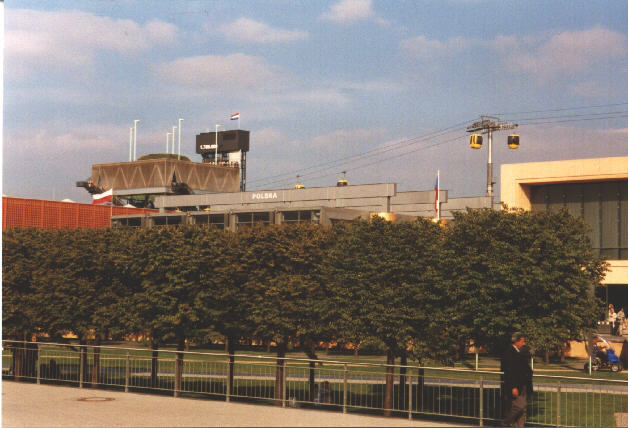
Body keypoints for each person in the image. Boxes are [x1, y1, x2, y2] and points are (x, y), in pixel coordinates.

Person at [501, 332, 533, 427]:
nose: (524, 343)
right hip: (516, 385)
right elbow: (509, 372)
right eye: (522, 341)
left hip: (523, 385)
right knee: (519, 407)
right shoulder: (509, 352)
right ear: (517, 341)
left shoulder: (521, 352)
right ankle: (505, 422)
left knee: (523, 410)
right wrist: (513, 387)